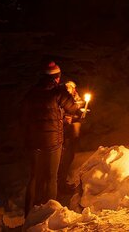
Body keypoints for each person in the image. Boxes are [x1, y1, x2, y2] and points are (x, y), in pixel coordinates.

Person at [21, 61, 81, 216]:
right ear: (57, 78)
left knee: (33, 177)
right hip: (53, 141)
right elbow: (74, 109)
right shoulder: (57, 92)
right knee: (51, 177)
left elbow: (23, 116)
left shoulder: (31, 93)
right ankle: (49, 215)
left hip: (34, 141)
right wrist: (79, 112)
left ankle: (27, 214)